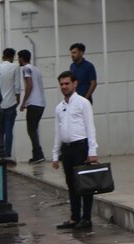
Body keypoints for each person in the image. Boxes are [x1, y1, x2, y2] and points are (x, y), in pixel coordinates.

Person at [51, 70, 99, 231]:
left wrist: (92, 150)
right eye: (62, 84)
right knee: (71, 184)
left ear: (74, 84)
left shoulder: (83, 103)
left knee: (85, 183)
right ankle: (74, 217)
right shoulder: (59, 107)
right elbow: (58, 131)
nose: (64, 87)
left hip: (81, 146)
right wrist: (55, 154)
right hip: (67, 148)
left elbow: (90, 127)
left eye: (67, 83)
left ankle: (86, 218)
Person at [19, 49, 46, 163]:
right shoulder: (36, 69)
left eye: (18, 58)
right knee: (33, 129)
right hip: (41, 103)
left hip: (33, 103)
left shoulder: (26, 69)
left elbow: (29, 85)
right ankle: (37, 154)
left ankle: (38, 154)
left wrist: (24, 102)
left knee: (31, 130)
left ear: (21, 58)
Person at [0, 48, 20, 160]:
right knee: (9, 130)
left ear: (3, 56)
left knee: (0, 131)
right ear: (12, 57)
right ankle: (7, 154)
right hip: (11, 103)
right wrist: (18, 99)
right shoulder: (15, 67)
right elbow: (17, 86)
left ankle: (0, 152)